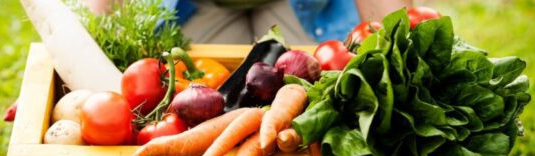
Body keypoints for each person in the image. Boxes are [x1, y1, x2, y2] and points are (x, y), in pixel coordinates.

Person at [170, 0, 412, 45]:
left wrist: (397, 39)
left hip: (300, 4)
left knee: (311, 89)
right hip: (197, 5)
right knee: (199, 98)